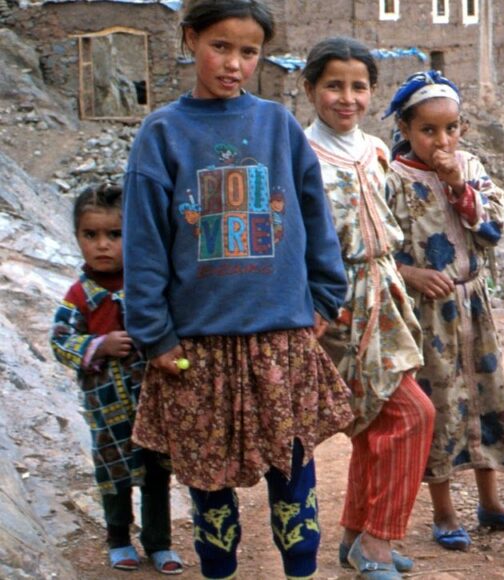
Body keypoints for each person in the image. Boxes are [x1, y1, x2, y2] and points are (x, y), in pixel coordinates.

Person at [122, 1, 353, 578]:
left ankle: (301, 568)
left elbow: (314, 215)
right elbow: (145, 242)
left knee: (293, 473)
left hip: (279, 336)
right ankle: (217, 570)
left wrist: (325, 295)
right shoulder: (163, 134)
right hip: (197, 348)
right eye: (219, 46)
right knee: (208, 478)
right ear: (190, 39)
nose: (233, 63)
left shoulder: (276, 126)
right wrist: (155, 334)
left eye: (248, 51)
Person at [383, 70, 504, 552]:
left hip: (474, 305)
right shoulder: (392, 177)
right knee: (442, 405)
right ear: (406, 130)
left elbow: (492, 230)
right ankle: (445, 512)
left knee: (485, 396)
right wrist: (412, 276)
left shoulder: (470, 167)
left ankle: (491, 503)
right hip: (427, 315)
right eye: (428, 130)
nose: (442, 140)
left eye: (451, 128)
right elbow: (380, 251)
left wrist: (459, 188)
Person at [302, 37, 437, 579]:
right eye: (333, 85)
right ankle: (377, 544)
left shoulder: (376, 151)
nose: (346, 98)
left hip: (382, 298)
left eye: (359, 86)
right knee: (410, 415)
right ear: (309, 87)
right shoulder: (301, 155)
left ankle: (358, 536)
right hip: (336, 305)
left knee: (378, 419)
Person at [51, 184, 184, 575]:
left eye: (115, 234)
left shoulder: (147, 288)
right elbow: (60, 342)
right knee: (113, 476)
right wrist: (99, 345)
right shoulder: (79, 295)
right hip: (105, 410)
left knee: (156, 473)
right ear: (77, 237)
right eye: (90, 235)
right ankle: (119, 540)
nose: (102, 246)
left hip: (151, 405)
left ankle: (159, 543)